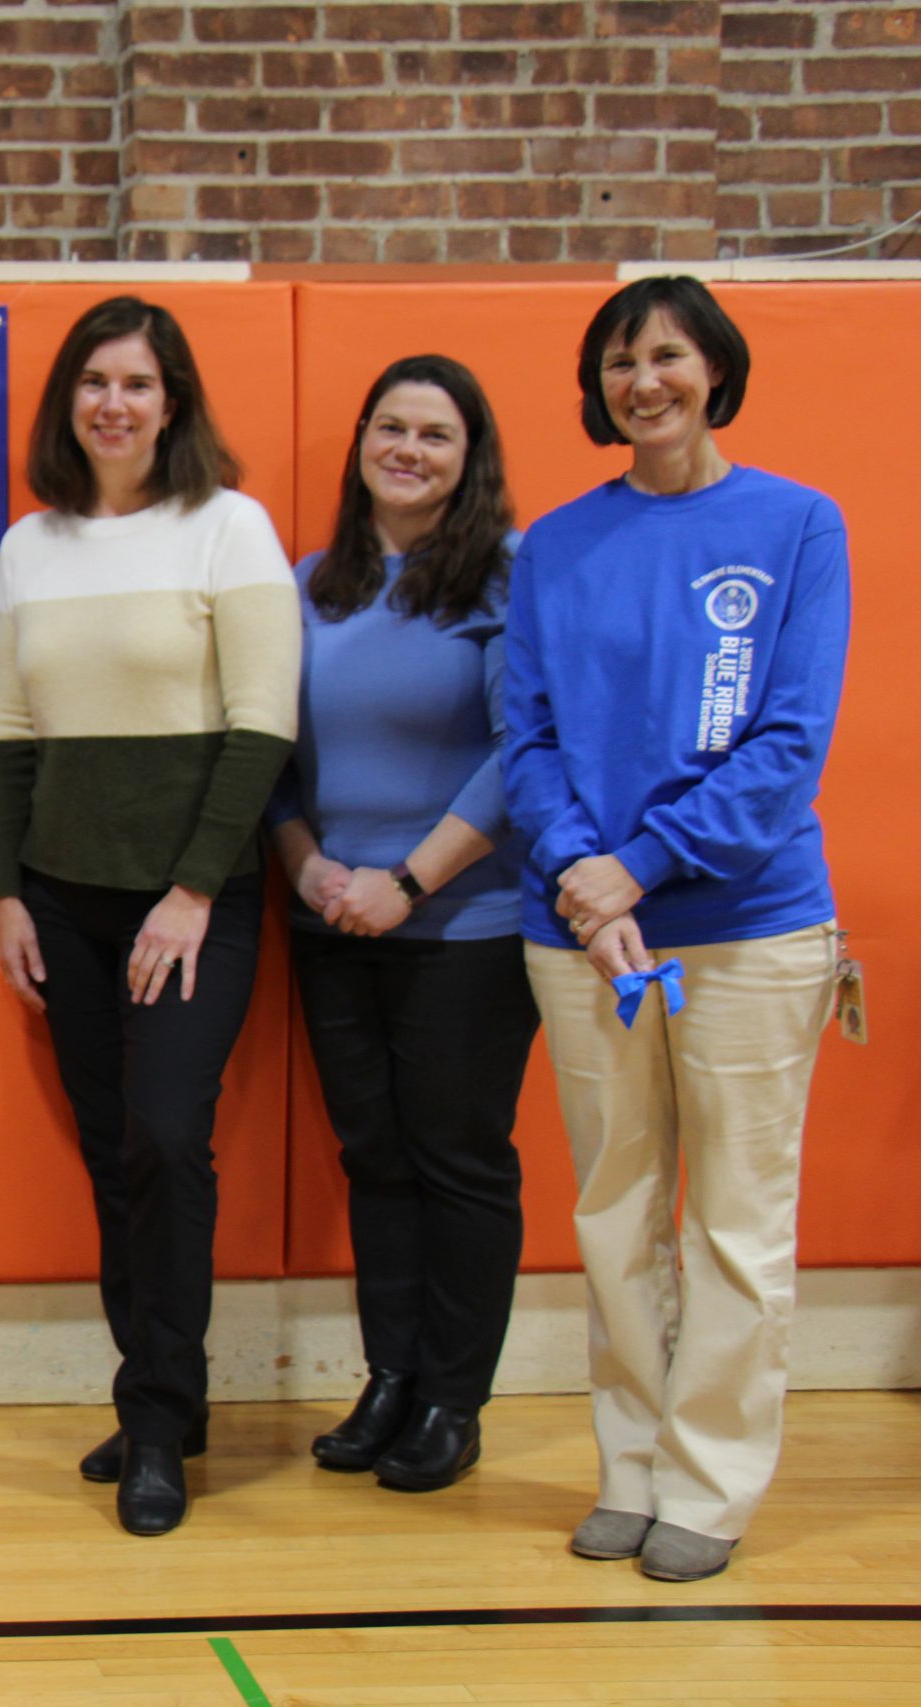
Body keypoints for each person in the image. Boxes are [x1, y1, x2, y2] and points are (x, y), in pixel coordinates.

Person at [506, 276, 849, 1583]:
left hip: (746, 930)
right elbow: (527, 738)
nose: (640, 380)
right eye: (616, 361)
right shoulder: (554, 545)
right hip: (587, 936)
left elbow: (788, 742)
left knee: (737, 1221)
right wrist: (585, 875)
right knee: (617, 1210)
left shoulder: (796, 525)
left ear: (716, 368)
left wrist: (638, 864)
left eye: (665, 354)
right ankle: (633, 1460)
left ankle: (710, 1482)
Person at [0, 296, 299, 1537]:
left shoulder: (230, 528)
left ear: (174, 404)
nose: (114, 403)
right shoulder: (30, 544)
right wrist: (8, 889)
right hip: (63, 898)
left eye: (139, 383)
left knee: (169, 1142)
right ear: (70, 402)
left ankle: (161, 1422)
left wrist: (190, 889)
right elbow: (12, 735)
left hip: (194, 901)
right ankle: (158, 1393)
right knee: (118, 1155)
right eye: (93, 383)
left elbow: (262, 723)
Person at [267, 355, 539, 1494]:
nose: (409, 451)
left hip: (462, 926)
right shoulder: (306, 581)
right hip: (331, 921)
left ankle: (450, 1399)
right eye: (391, 427)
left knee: (456, 1162)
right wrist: (313, 868)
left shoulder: (509, 579)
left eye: (437, 434)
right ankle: (388, 1378)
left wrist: (408, 884)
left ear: (469, 459)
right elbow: (269, 761)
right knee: (373, 1159)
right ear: (360, 443)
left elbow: (519, 754)